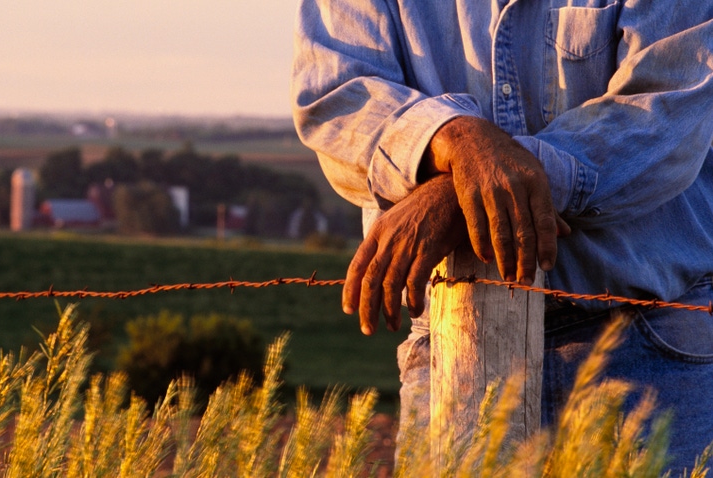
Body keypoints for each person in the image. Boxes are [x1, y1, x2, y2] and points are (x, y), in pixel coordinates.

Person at [290, 0, 713, 471]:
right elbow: (336, 97)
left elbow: (665, 111)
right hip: (451, 349)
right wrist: (455, 141)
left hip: (645, 348)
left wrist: (466, 185)